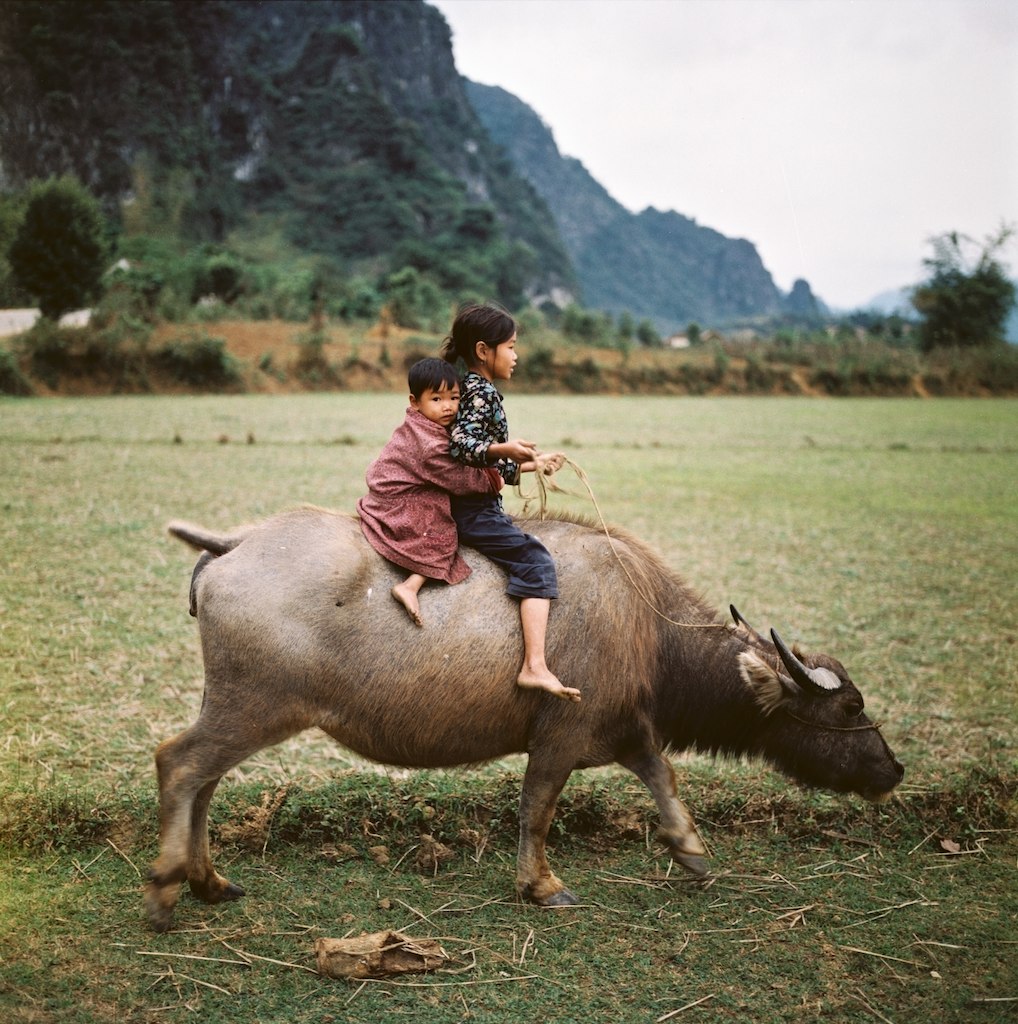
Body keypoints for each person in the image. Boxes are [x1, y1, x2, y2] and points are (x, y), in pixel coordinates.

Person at [442, 302, 581, 703]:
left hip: (476, 501)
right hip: (472, 510)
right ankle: (533, 665)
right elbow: (463, 446)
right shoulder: (481, 391)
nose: (516, 355)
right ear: (484, 351)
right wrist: (505, 447)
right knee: (535, 560)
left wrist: (534, 464)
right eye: (511, 346)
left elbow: (489, 459)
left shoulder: (472, 389)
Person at [357, 358, 500, 627]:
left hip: (393, 488)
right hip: (399, 499)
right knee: (441, 530)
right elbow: (460, 479)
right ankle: (411, 585)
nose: (448, 406)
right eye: (436, 399)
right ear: (415, 402)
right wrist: (493, 479)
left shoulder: (424, 425)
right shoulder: (429, 444)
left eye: (454, 397)